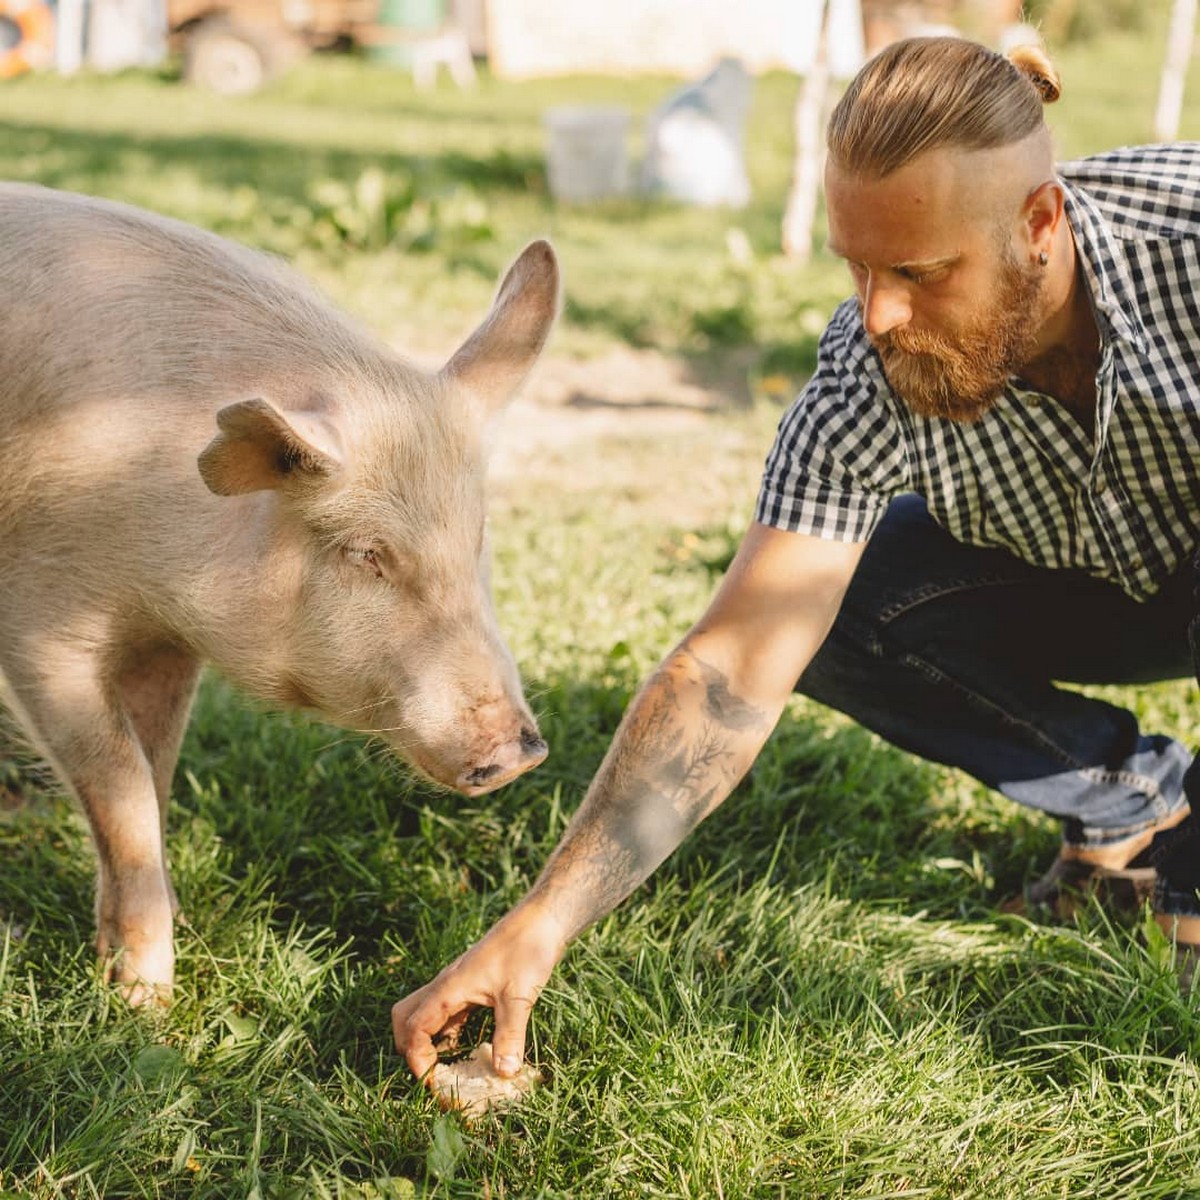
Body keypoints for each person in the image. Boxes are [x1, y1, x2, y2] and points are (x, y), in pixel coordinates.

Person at [393, 35, 1200, 1083]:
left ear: (1039, 225)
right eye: (858, 266)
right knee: (836, 608)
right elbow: (731, 666)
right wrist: (542, 922)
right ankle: (1136, 797)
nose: (879, 315)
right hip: (1097, 574)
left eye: (918, 272)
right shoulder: (867, 367)